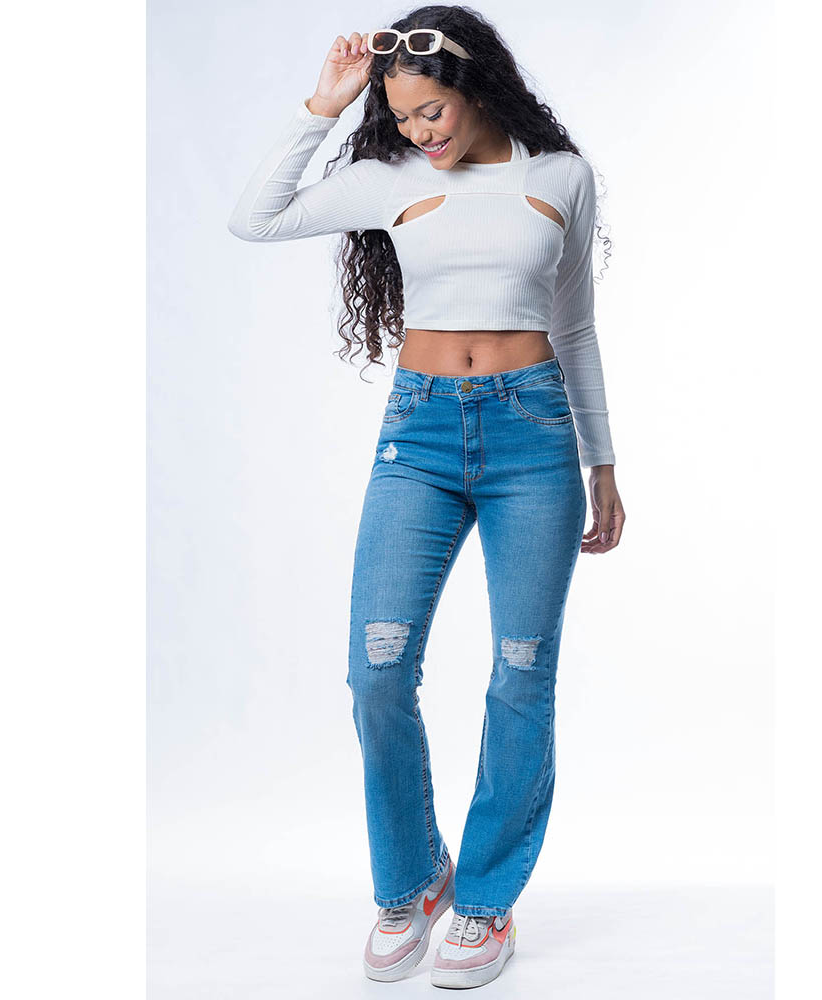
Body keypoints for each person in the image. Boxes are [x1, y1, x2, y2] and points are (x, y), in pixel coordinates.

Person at [227, 8, 624, 988]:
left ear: (476, 86)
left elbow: (575, 328)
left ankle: (485, 900)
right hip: (420, 437)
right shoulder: (389, 178)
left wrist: (603, 465)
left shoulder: (558, 177)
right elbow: (255, 217)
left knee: (521, 674)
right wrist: (323, 106)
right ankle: (413, 876)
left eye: (432, 112)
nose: (419, 133)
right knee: (377, 672)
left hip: (535, 439)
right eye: (402, 117)